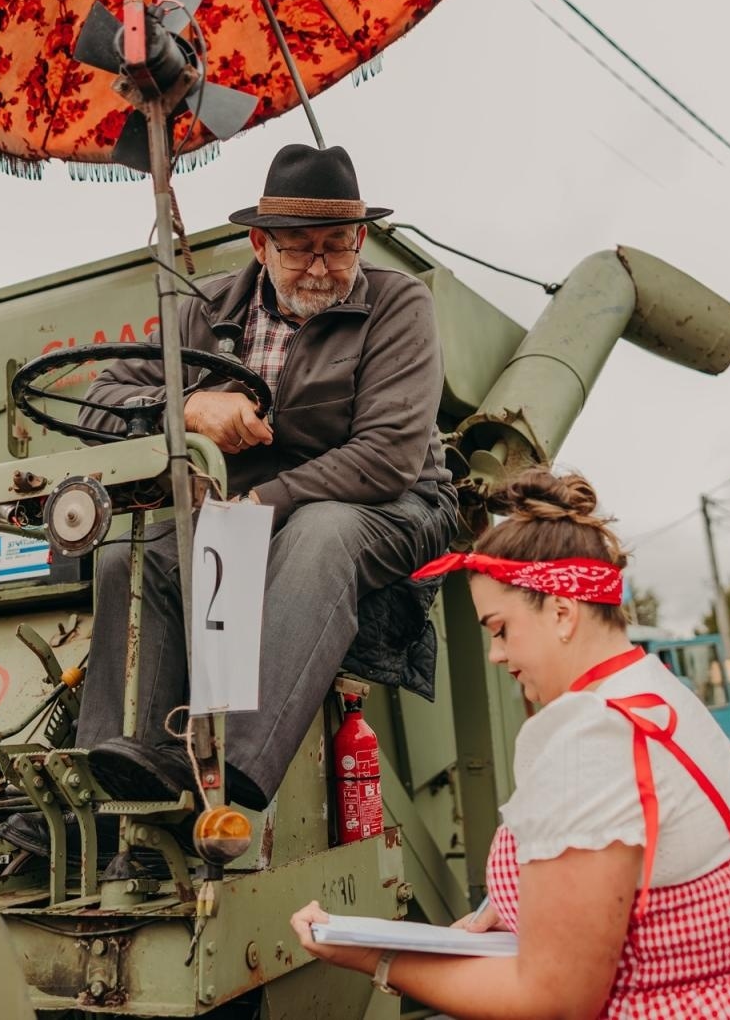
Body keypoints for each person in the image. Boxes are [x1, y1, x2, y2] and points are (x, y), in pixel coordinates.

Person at [290, 469, 730, 1018]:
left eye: (500, 629)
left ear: (560, 612)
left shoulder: (588, 736)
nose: (496, 655)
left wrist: (375, 956)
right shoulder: (653, 691)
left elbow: (554, 1002)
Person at [68, 143, 458, 812]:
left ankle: (232, 767)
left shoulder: (401, 305)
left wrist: (260, 502)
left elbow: (389, 454)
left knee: (323, 532)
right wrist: (186, 406)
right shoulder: (203, 311)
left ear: (361, 239)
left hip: (394, 504)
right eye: (297, 247)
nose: (318, 266)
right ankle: (109, 791)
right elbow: (97, 400)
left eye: (337, 247)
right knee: (129, 560)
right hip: (245, 509)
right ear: (258, 242)